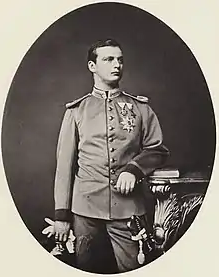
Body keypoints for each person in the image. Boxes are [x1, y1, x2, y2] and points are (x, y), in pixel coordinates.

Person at [53, 39, 169, 273]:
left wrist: (133, 169)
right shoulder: (76, 111)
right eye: (108, 59)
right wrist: (62, 216)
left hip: (129, 209)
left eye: (120, 59)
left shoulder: (141, 108)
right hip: (84, 210)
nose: (117, 64)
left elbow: (157, 149)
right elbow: (64, 167)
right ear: (92, 66)